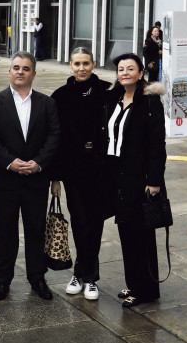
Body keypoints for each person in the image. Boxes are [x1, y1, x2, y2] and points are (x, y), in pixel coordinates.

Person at [0, 51, 59, 301]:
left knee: (35, 230)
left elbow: (54, 136)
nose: (20, 72)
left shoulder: (47, 103)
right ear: (9, 71)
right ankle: (3, 279)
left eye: (26, 68)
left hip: (36, 179)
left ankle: (37, 277)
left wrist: (39, 163)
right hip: (6, 179)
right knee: (5, 230)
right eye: (16, 67)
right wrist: (8, 162)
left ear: (34, 74)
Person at [103, 53, 167, 308]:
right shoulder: (115, 98)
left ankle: (146, 290)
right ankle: (134, 283)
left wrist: (154, 181)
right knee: (126, 231)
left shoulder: (150, 102)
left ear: (140, 73)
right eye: (121, 69)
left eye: (131, 68)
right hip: (118, 175)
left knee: (141, 234)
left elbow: (157, 145)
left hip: (139, 178)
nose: (125, 72)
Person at [50, 47, 110, 301]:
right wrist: (54, 177)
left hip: (99, 167)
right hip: (73, 168)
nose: (82, 68)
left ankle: (88, 276)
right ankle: (83, 273)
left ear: (93, 64)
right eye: (77, 63)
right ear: (71, 66)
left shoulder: (107, 92)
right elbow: (53, 138)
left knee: (95, 222)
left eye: (86, 63)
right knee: (79, 220)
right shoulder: (60, 96)